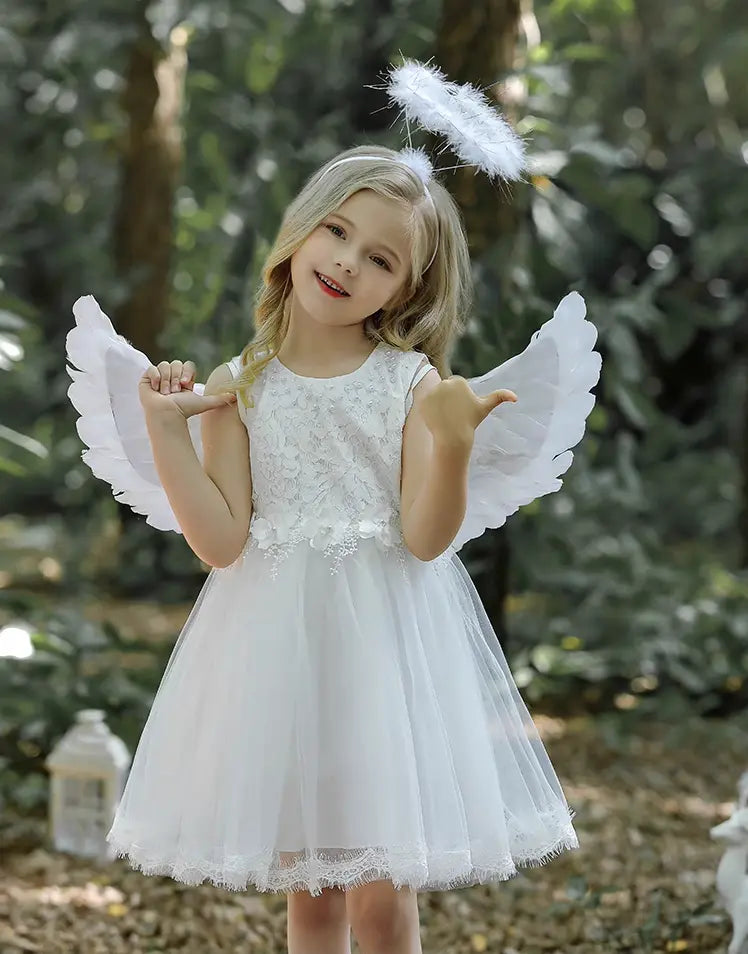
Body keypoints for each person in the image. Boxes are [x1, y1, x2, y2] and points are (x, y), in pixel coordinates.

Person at [70, 140, 595, 954]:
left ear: (408, 287)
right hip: (277, 657)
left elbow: (424, 539)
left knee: (381, 897)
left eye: (380, 259)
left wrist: (451, 445)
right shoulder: (240, 381)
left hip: (384, 654)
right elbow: (220, 540)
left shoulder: (409, 384)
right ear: (302, 231)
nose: (349, 264)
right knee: (309, 894)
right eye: (339, 233)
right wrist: (166, 432)